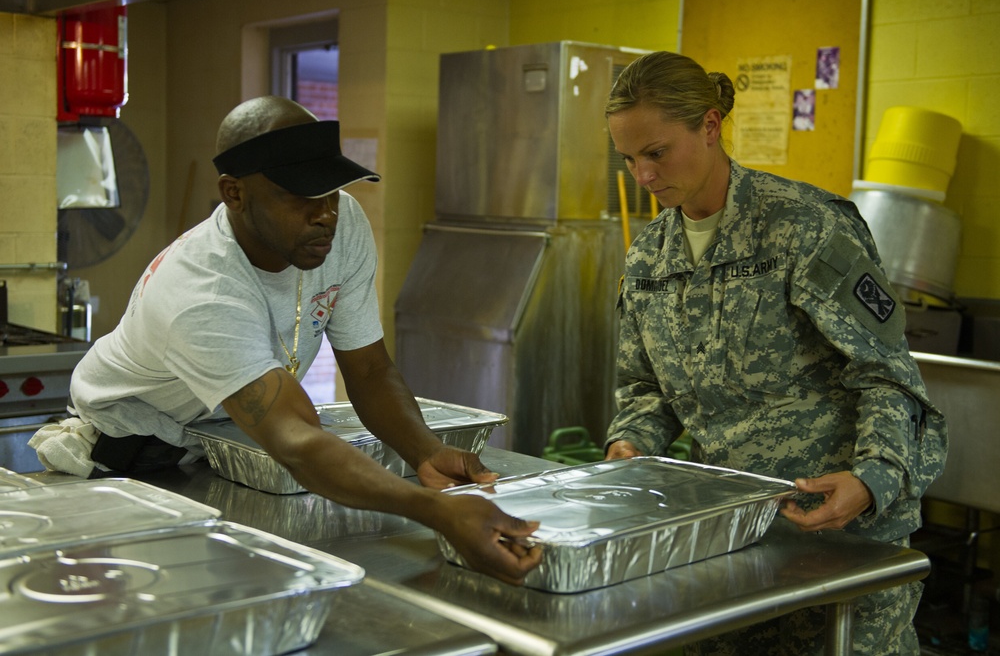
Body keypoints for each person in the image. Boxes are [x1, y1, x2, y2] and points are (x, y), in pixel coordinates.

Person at [30, 95, 542, 586]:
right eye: (299, 195)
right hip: (126, 463)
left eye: (332, 191)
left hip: (214, 444)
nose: (326, 214)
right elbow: (295, 440)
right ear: (234, 193)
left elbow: (368, 370)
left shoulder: (341, 228)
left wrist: (426, 453)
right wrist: (438, 512)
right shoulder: (202, 293)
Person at [602, 52, 947, 655]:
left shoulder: (805, 228)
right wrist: (631, 445)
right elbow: (644, 389)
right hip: (733, 534)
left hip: (843, 535)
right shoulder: (649, 257)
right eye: (628, 160)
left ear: (710, 127)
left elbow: (889, 374)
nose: (644, 177)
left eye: (656, 153)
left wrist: (874, 478)